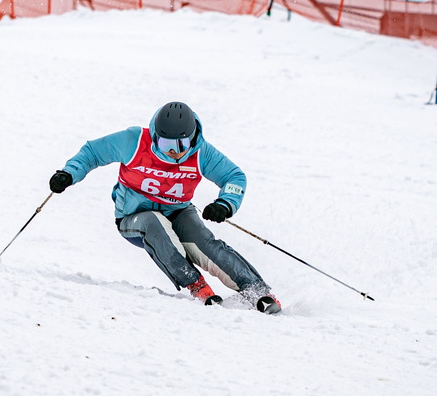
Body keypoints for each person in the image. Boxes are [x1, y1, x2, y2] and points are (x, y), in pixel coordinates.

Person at [49, 101, 281, 313]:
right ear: (155, 137)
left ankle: (257, 291)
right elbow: (92, 153)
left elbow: (234, 176)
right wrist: (68, 174)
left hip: (178, 211)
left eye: (181, 143)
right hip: (134, 218)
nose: (174, 150)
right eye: (166, 143)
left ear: (193, 138)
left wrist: (225, 204)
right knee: (154, 223)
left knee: (202, 242)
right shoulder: (134, 141)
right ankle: (195, 284)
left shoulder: (201, 153)